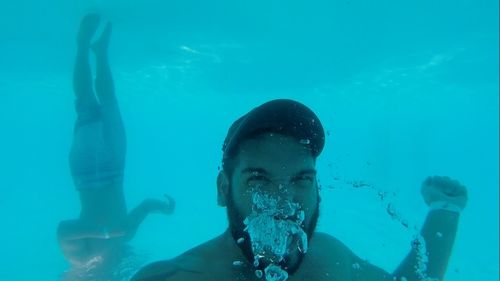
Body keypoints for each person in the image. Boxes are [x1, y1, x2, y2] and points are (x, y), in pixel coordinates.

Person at [131, 99, 468, 281]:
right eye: (258, 179)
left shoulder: (332, 261)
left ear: (318, 189)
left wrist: (445, 212)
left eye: (301, 180)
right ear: (223, 189)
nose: (283, 202)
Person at [57, 13, 175, 277]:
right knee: (110, 101)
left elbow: (64, 231)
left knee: (86, 102)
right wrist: (163, 208)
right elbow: (145, 205)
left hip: (87, 174)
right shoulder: (125, 235)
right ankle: (100, 52)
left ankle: (82, 42)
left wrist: (107, 232)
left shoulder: (83, 257)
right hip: (115, 167)